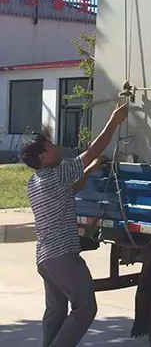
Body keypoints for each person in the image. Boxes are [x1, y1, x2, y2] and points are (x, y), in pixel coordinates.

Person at [19, 102, 128, 347]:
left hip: (45, 259)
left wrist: (88, 171)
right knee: (85, 307)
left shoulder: (35, 181)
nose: (56, 147)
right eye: (50, 146)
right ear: (42, 156)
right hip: (62, 256)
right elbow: (93, 149)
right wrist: (114, 121)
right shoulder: (57, 174)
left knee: (56, 313)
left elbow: (70, 190)